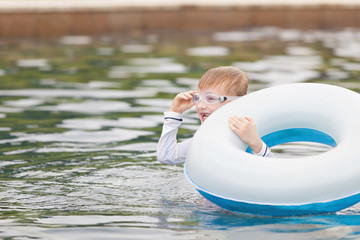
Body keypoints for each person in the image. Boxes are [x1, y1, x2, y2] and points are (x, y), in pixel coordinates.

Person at [157, 66, 272, 165]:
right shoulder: (205, 138)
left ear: (236, 103)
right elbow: (167, 157)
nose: (201, 106)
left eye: (210, 99)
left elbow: (274, 172)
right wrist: (175, 114)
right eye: (198, 98)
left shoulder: (247, 135)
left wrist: (256, 143)